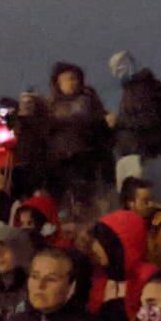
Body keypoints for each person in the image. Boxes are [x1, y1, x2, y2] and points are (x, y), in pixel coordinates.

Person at [46, 62, 112, 213]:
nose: (71, 83)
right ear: (58, 82)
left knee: (85, 200)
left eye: (74, 79)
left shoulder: (89, 102)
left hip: (85, 159)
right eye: (67, 79)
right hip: (59, 162)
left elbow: (103, 131)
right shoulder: (50, 106)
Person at [109, 50, 161, 181]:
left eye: (120, 68)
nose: (117, 73)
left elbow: (145, 119)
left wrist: (117, 121)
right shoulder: (145, 86)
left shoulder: (138, 90)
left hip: (143, 148)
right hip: (149, 148)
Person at [86, 208, 156, 321]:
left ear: (117, 246)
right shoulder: (102, 274)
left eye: (102, 242)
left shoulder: (146, 278)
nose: (94, 247)